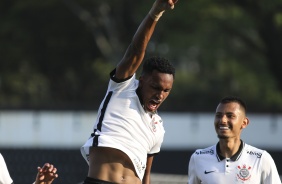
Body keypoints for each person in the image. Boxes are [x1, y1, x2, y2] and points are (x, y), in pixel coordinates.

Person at [80, 0, 178, 183]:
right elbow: (135, 51)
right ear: (141, 81)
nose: (160, 95)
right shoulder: (122, 88)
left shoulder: (158, 128)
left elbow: (146, 176)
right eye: (155, 87)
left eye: (166, 90)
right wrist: (156, 12)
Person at [187, 96, 281, 184]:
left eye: (230, 116)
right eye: (219, 115)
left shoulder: (261, 159)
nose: (223, 120)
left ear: (244, 123)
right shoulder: (198, 158)